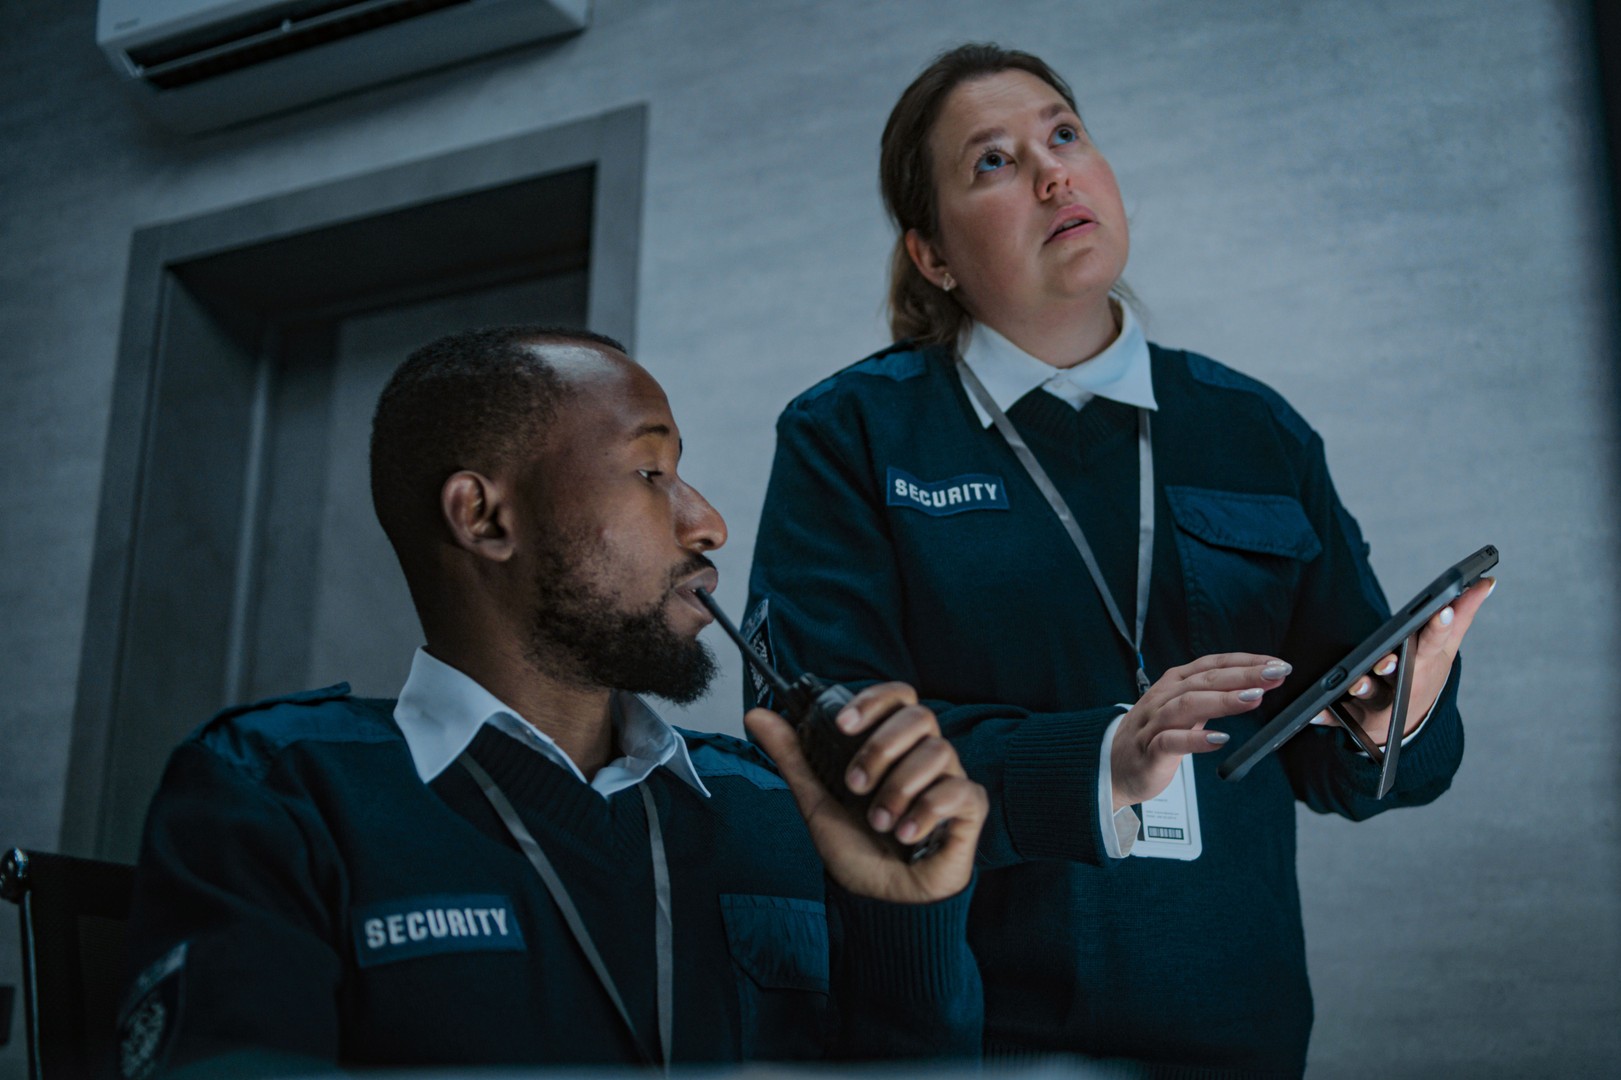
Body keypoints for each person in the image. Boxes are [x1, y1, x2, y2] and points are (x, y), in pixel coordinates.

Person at [744, 44, 1495, 1078]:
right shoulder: (851, 435)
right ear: (933, 257)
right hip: (972, 1036)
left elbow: (1358, 766)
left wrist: (1391, 715)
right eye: (993, 163)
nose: (1054, 172)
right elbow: (828, 737)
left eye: (1064, 134)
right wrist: (1102, 759)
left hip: (1242, 1033)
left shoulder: (1255, 428)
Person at [116, 326, 989, 1078]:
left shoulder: (774, 803)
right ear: (485, 517)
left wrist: (910, 917)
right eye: (650, 471)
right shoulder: (277, 790)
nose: (708, 522)